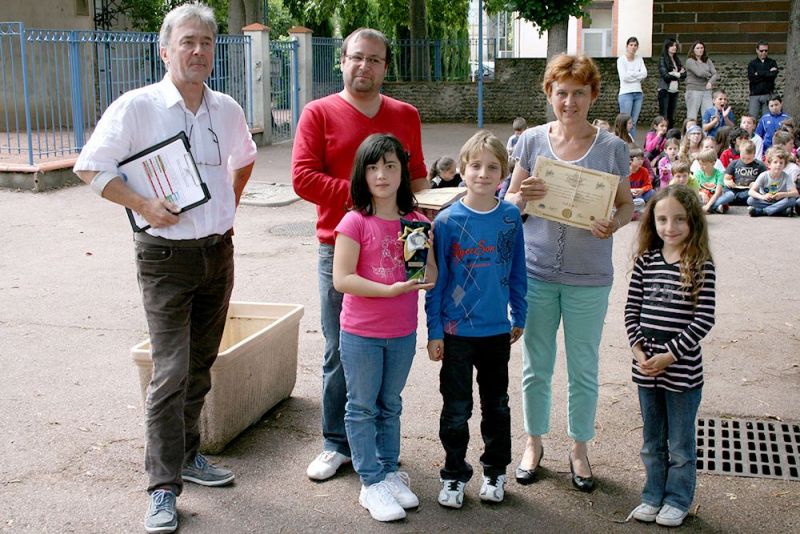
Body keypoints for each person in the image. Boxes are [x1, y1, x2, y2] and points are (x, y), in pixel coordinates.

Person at [72, 4, 257, 533]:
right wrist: (145, 205)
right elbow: (91, 165)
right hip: (164, 257)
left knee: (200, 363)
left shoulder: (225, 108)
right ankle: (161, 488)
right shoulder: (137, 107)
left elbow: (241, 160)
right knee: (171, 371)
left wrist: (228, 208)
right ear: (165, 49)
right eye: (187, 42)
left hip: (217, 253)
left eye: (206, 43)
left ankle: (188, 456)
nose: (198, 51)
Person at [291, 27, 428, 482]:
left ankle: (380, 448)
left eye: (373, 59)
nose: (363, 66)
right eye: (356, 58)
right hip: (342, 245)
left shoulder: (405, 115)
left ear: (386, 66)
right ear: (342, 61)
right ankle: (336, 443)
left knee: (391, 346)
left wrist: (428, 221)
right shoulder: (319, 113)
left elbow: (419, 179)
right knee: (340, 348)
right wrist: (362, 200)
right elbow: (303, 178)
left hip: (398, 242)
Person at [505, 54, 634, 492]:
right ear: (549, 94)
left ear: (593, 95)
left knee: (583, 367)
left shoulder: (612, 148)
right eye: (562, 92)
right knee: (534, 365)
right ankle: (533, 442)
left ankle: (579, 448)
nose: (570, 101)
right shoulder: (531, 142)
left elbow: (626, 204)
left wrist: (613, 224)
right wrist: (524, 194)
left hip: (589, 275)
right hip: (537, 271)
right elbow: (508, 207)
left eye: (579, 92)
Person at [331, 133, 435, 522]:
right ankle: (370, 481)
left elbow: (428, 277)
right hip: (361, 332)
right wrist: (389, 289)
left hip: (402, 331)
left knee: (390, 404)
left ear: (402, 172)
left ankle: (390, 470)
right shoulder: (355, 221)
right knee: (361, 406)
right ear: (362, 174)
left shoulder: (415, 222)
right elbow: (342, 279)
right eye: (373, 167)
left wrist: (428, 249)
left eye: (390, 166)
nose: (382, 174)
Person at [426, 131, 527, 509]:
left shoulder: (510, 217)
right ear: (462, 169)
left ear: (503, 173)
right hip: (455, 332)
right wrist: (435, 330)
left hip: (496, 331)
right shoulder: (447, 222)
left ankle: (495, 471)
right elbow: (437, 283)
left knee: (496, 405)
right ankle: (453, 475)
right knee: (455, 409)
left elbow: (518, 269)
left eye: (492, 167)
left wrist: (520, 312)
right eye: (475, 166)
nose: (483, 173)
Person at [624, 185, 716, 528]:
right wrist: (639, 351)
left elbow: (704, 318)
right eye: (662, 219)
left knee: (679, 443)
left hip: (682, 371)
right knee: (652, 440)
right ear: (652, 222)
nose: (670, 227)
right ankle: (652, 495)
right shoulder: (646, 261)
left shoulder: (700, 264)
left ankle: (677, 499)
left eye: (679, 219)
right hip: (646, 368)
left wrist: (670, 355)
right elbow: (631, 310)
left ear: (692, 221)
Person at [714, 139, 766, 212]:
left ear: (754, 155)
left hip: (748, 190)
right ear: (740, 153)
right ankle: (726, 202)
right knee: (726, 192)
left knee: (752, 195)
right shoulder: (734, 163)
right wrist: (728, 181)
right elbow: (726, 178)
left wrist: (756, 184)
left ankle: (727, 202)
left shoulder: (760, 165)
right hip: (735, 189)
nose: (746, 160)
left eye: (749, 158)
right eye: (743, 158)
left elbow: (765, 181)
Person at [747, 147, 799, 217]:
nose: (778, 165)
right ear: (769, 164)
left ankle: (763, 211)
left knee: (792, 200)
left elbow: (795, 193)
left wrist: (782, 194)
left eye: (781, 163)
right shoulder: (763, 175)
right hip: (766, 201)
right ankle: (780, 211)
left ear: (784, 165)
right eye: (775, 162)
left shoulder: (786, 177)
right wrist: (763, 197)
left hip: (779, 201)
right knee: (750, 200)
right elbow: (751, 191)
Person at [617, 36, 647, 138]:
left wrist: (631, 74)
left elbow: (644, 74)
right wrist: (637, 75)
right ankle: (622, 143)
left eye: (635, 45)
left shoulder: (639, 59)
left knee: (633, 122)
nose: (633, 47)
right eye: (631, 45)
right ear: (627, 46)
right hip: (626, 94)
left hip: (638, 93)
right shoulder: (621, 60)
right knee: (625, 121)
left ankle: (631, 144)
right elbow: (624, 77)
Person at [684, 41, 717, 122]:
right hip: (693, 90)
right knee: (692, 116)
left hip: (706, 90)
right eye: (697, 48)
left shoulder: (707, 60)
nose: (700, 50)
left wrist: (710, 82)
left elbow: (715, 74)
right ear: (693, 50)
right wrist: (709, 74)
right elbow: (699, 73)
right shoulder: (690, 61)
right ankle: (691, 133)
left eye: (702, 48)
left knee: (708, 115)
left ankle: (706, 133)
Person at [657, 38, 686, 130]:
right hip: (665, 90)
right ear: (667, 47)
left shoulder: (677, 59)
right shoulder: (662, 59)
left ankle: (670, 137)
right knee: (664, 116)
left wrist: (675, 74)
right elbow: (665, 76)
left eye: (675, 45)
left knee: (672, 116)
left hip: (675, 90)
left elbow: (684, 74)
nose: (674, 47)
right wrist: (678, 74)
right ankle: (662, 136)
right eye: (672, 45)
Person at [747, 41, 779, 119]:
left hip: (768, 94)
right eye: (761, 50)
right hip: (755, 94)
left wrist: (758, 73)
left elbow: (773, 75)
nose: (764, 52)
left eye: (766, 50)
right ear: (757, 50)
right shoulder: (752, 64)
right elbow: (752, 78)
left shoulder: (772, 62)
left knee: (767, 119)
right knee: (751, 118)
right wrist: (767, 73)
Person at [694, 148, 725, 213]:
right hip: (702, 198)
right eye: (700, 164)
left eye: (704, 164)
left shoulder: (719, 174)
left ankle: (709, 208)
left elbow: (717, 193)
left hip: (715, 197)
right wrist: (702, 194)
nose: (701, 167)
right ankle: (715, 208)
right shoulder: (698, 173)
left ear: (713, 163)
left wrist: (707, 206)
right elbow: (694, 190)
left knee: (730, 195)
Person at [629, 148, 654, 217]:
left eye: (642, 159)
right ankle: (632, 208)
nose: (641, 161)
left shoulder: (644, 171)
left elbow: (649, 185)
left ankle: (633, 208)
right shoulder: (626, 171)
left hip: (639, 195)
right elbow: (620, 188)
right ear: (630, 160)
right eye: (638, 159)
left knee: (652, 192)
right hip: (628, 195)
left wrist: (642, 190)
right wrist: (630, 190)